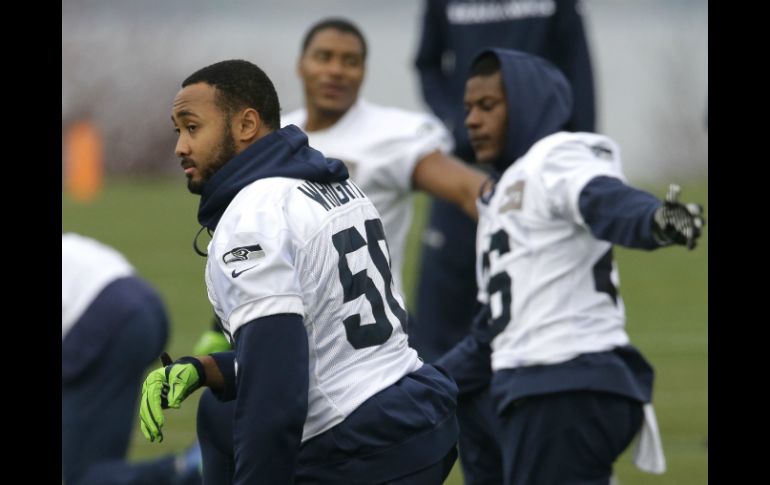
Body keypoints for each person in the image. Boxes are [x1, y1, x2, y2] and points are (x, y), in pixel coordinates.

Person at [138, 59, 459, 484]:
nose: (180, 146)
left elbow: (276, 392)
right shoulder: (333, 182)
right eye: (178, 130)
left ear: (246, 124)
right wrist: (206, 368)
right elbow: (324, 347)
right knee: (219, 409)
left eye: (192, 127)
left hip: (362, 444)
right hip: (419, 412)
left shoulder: (253, 215)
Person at [437, 48, 704, 484]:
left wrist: (654, 220)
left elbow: (600, 196)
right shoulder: (501, 196)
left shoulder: (554, 156)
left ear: (527, 103)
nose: (472, 120)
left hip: (561, 382)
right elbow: (491, 336)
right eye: (467, 108)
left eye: (488, 106)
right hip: (543, 388)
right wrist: (417, 385)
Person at [412, 0, 597, 362]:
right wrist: (457, 120)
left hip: (536, 173)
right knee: (439, 321)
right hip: (465, 170)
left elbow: (578, 68)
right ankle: (439, 414)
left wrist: (579, 152)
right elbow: (427, 64)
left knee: (536, 308)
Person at [62, 233, 201, 485]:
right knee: (100, 464)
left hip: (103, 317)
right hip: (145, 305)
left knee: (84, 475)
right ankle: (192, 465)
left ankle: (188, 470)